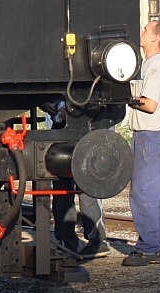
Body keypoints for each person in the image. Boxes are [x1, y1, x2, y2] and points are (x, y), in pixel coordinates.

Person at [122, 20, 160, 266]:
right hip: (154, 137)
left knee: (142, 193)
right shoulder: (152, 65)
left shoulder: (155, 66)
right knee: (157, 194)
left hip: (148, 137)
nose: (140, 32)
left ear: (155, 38)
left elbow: (149, 104)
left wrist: (127, 98)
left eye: (145, 30)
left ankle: (149, 247)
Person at [41, 98, 109, 258]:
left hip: (83, 128)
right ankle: (68, 242)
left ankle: (96, 241)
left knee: (87, 186)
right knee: (62, 191)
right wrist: (47, 105)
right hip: (60, 129)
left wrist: (72, 110)